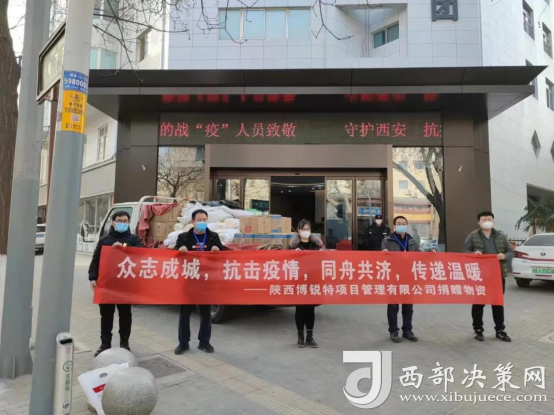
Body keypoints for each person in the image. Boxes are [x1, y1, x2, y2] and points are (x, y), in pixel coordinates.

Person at [89, 211, 143, 357]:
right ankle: (105, 344)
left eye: (125, 221)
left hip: (125, 285)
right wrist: (92, 277)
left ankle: (124, 343)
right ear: (113, 222)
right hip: (107, 284)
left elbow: (141, 254)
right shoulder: (104, 240)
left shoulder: (133, 239)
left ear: (128, 222)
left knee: (125, 315)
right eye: (119, 220)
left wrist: (125, 247)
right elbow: (96, 259)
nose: (122, 223)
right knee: (106, 315)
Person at [174, 209, 224, 354]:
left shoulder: (213, 236)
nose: (202, 222)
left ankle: (204, 342)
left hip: (206, 281)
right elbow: (174, 256)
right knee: (184, 314)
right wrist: (179, 249)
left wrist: (217, 249)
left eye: (204, 220)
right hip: (189, 280)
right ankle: (183, 343)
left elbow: (222, 256)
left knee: (206, 313)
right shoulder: (183, 237)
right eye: (199, 220)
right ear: (193, 221)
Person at [463, 211, 513, 342]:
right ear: (478, 222)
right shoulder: (472, 236)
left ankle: (500, 330)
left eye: (489, 219)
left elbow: (510, 252)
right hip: (479, 276)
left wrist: (504, 256)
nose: (487, 221)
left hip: (497, 276)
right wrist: (474, 254)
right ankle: (478, 329)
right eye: (484, 219)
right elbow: (465, 252)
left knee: (497, 304)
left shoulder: (501, 236)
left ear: (493, 221)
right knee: (478, 304)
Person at [382, 216, 421, 344]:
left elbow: (419, 255)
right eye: (399, 223)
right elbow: (381, 258)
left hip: (408, 276)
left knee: (408, 306)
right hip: (393, 277)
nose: (401, 225)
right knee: (393, 306)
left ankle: (407, 331)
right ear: (394, 226)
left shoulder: (412, 241)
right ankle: (393, 331)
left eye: (403, 223)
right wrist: (383, 253)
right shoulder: (387, 240)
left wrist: (431, 253)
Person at [289, 219, 324, 348]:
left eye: (307, 229)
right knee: (300, 309)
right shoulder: (293, 246)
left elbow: (325, 260)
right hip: (299, 282)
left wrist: (323, 254)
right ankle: (300, 337)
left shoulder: (316, 244)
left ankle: (310, 337)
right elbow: (286, 260)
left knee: (310, 309)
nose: (305, 231)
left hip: (312, 281)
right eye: (303, 229)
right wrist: (293, 254)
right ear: (298, 230)